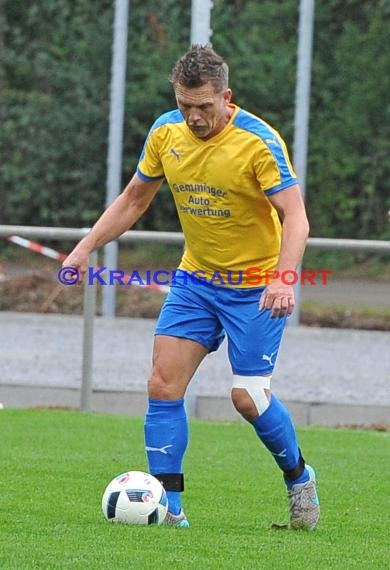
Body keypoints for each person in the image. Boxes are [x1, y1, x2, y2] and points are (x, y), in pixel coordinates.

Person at [63, 45, 320, 530]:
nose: (195, 117)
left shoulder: (258, 141)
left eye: (204, 106)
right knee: (162, 384)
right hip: (196, 280)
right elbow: (134, 198)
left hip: (256, 287)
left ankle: (299, 477)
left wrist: (283, 277)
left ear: (227, 96)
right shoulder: (165, 132)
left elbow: (296, 215)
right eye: (186, 105)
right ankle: (169, 509)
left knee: (247, 398)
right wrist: (84, 248)